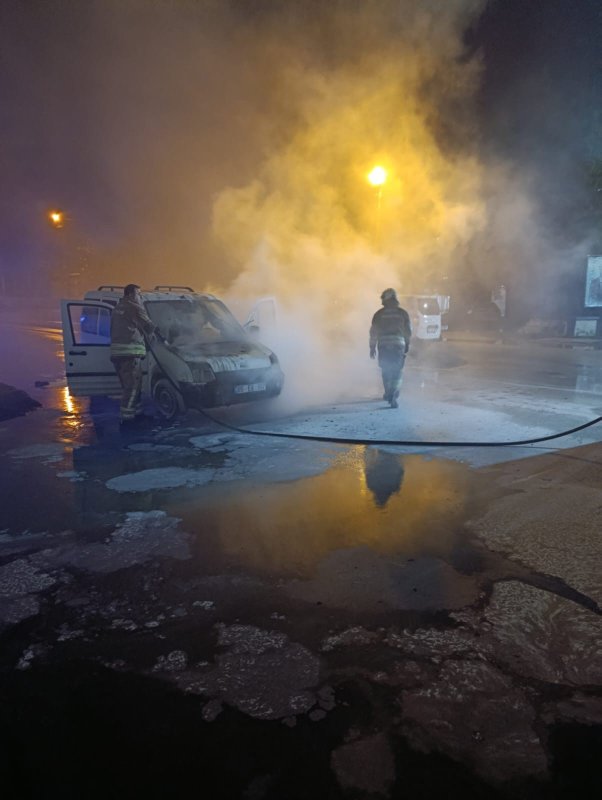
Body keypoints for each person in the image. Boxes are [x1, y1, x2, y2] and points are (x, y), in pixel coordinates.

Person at [110, 284, 162, 424]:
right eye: (138, 294)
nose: (140, 297)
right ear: (131, 295)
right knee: (132, 387)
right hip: (130, 353)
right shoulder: (134, 307)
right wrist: (161, 335)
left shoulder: (118, 308)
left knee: (130, 386)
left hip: (117, 354)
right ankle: (128, 421)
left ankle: (137, 414)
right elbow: (149, 325)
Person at [369, 288, 412, 408]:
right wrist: (407, 344)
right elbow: (408, 331)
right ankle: (394, 392)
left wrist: (372, 347)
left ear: (386, 299)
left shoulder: (379, 314)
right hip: (399, 345)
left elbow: (373, 332)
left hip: (384, 345)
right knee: (397, 370)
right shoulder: (402, 313)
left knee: (386, 369)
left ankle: (388, 392)